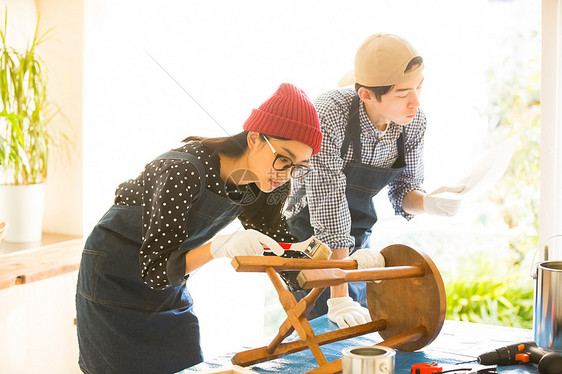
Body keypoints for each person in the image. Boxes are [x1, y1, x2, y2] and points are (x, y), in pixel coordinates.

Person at [75, 83, 323, 374]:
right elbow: (155, 271)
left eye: (299, 167)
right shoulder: (183, 170)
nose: (286, 174)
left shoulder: (266, 184)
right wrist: (218, 247)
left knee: (188, 367)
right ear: (255, 139)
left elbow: (284, 255)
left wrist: (339, 269)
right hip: (114, 278)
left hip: (170, 285)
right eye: (283, 158)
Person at [285, 34, 463, 328]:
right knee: (320, 325)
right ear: (367, 95)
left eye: (419, 86)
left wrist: (430, 203)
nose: (415, 101)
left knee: (361, 326)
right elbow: (329, 205)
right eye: (403, 93)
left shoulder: (414, 121)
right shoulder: (329, 113)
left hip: (359, 235)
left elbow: (403, 190)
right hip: (310, 237)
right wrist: (338, 295)